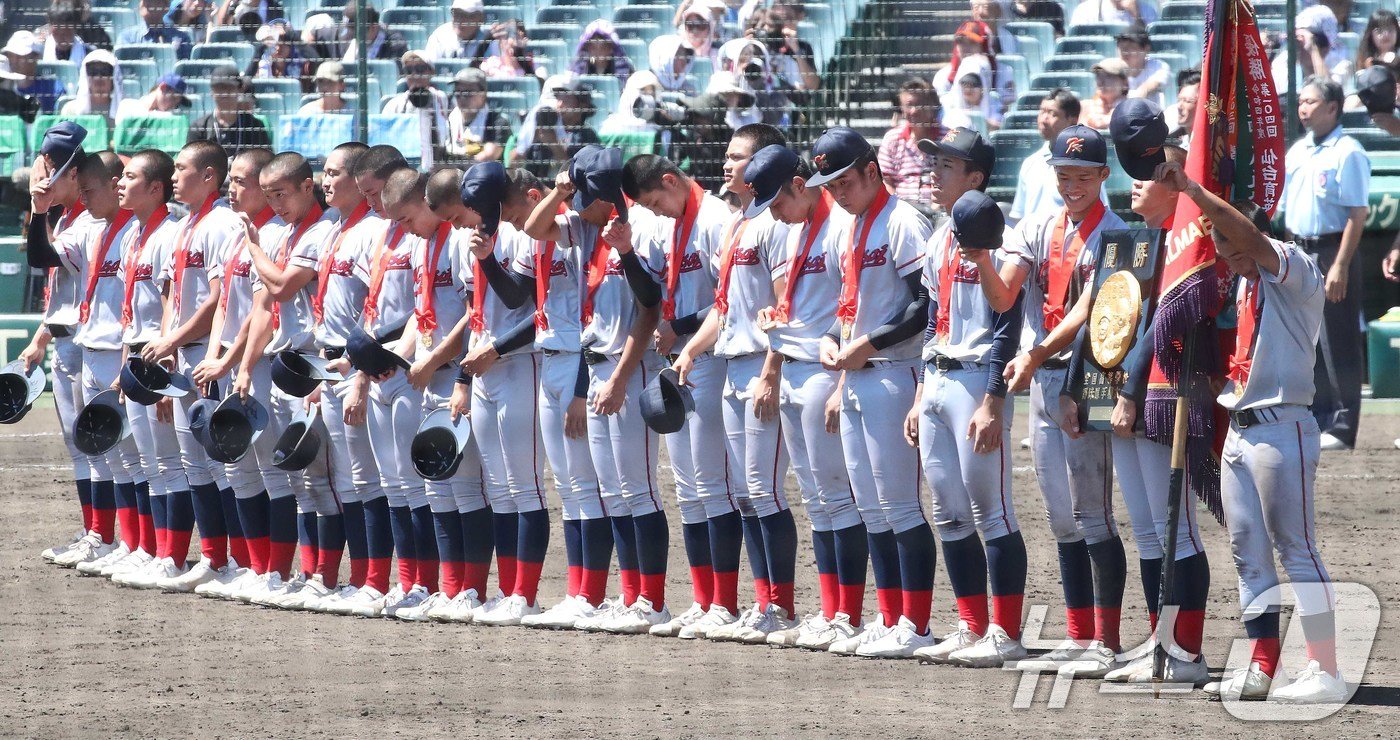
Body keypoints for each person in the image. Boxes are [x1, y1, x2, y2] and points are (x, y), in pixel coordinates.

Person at [1152, 161, 1344, 703]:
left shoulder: (1293, 267)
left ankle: (1324, 670)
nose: (1229, 257)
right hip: (1240, 427)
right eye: (1222, 247)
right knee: (1247, 551)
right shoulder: (1242, 285)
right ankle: (1262, 665)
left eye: (1234, 245)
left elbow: (1252, 239)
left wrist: (1192, 189)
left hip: (1284, 426)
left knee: (1296, 547)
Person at [994, 125, 1136, 673]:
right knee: (1060, 517)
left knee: (1093, 513)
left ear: (1104, 176)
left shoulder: (1117, 233)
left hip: (1091, 375)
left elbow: (1095, 314)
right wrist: (983, 254)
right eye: (1063, 175)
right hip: (1044, 377)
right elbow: (1006, 295)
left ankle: (1107, 640)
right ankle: (1078, 637)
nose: (1071, 185)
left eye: (1082, 175)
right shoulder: (1037, 225)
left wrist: (1039, 358)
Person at [450, 167, 615, 630]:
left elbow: (532, 303)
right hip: (542, 356)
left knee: (551, 487)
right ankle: (523, 592)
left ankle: (557, 594)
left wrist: (501, 345)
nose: (509, 221)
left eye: (511, 210)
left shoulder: (569, 229)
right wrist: (486, 260)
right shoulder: (526, 233)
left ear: (533, 196)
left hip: (542, 362)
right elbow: (521, 294)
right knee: (516, 488)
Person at [523, 146, 673, 634]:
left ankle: (651, 602)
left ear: (610, 195)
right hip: (598, 364)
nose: (576, 205)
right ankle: (630, 599)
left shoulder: (642, 228)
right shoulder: (586, 226)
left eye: (585, 195)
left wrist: (620, 379)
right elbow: (534, 228)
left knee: (640, 491)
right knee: (614, 492)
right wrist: (562, 190)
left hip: (632, 367)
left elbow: (648, 311)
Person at [663, 126, 802, 644]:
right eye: (726, 155)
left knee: (763, 491)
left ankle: (778, 606)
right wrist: (693, 348)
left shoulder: (776, 225)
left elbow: (782, 307)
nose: (727, 165)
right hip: (730, 362)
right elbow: (725, 308)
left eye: (739, 158)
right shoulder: (738, 222)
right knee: (745, 493)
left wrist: (772, 368)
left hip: (763, 368)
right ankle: (760, 603)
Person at [803, 127, 936, 657]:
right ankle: (889, 616)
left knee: (901, 506)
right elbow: (849, 305)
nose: (837, 192)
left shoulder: (902, 220)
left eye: (844, 181)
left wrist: (866, 343)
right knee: (872, 508)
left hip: (894, 371)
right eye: (830, 184)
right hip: (859, 374)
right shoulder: (849, 224)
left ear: (871, 171)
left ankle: (917, 624)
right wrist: (835, 348)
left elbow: (923, 306)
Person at [901, 129, 1029, 665]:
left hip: (979, 380)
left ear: (976, 177)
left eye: (948, 165)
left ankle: (1006, 632)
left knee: (991, 511)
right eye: (936, 163)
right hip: (938, 379)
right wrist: (919, 392)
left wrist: (995, 399)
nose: (936, 173)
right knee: (947, 510)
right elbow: (934, 320)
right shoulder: (937, 238)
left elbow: (1008, 323)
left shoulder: (1010, 238)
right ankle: (972, 627)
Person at [739, 144, 871, 650]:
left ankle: (849, 614)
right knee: (818, 502)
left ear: (800, 184)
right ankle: (832, 609)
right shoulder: (796, 230)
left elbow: (851, 307)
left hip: (824, 372)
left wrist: (840, 381)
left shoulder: (840, 225)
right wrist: (776, 343)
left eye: (776, 202)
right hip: (795, 367)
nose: (773, 214)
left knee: (838, 498)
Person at [616, 152, 744, 640]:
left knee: (714, 488)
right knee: (689, 491)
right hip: (682, 364)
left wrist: (679, 329)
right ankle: (705, 599)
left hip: (711, 359)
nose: (655, 211)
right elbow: (656, 293)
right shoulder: (672, 225)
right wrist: (628, 253)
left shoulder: (714, 219)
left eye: (654, 201)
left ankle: (726, 604)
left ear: (671, 181)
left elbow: (727, 302)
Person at [232, 151, 341, 607]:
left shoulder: (320, 230)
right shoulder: (284, 231)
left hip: (316, 364)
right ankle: (307, 571)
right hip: (285, 362)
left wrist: (255, 247)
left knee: (322, 478)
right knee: (295, 477)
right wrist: (241, 364)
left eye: (282, 194)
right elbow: (263, 309)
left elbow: (279, 288)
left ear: (306, 186)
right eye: (270, 195)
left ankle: (329, 577)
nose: (275, 203)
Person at [137, 140, 247, 593]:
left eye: (182, 169)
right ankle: (214, 558)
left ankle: (240, 562)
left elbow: (218, 298)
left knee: (223, 465)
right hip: (182, 353)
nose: (174, 176)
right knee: (194, 464)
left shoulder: (222, 224)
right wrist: (167, 352)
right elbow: (173, 298)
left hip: (207, 353)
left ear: (208, 177)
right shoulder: (185, 226)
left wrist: (177, 342)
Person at [187, 147, 281, 602]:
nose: (232, 186)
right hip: (231, 362)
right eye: (233, 180)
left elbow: (260, 311)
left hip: (259, 363)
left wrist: (229, 362)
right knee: (239, 468)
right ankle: (253, 566)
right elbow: (225, 303)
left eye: (241, 180)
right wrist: (213, 355)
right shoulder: (237, 233)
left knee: (269, 469)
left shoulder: (276, 234)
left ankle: (274, 571)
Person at [105, 149, 189, 590]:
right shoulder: (132, 233)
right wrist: (124, 367)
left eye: (130, 176)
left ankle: (172, 558)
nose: (119, 182)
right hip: (136, 355)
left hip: (159, 356)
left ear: (156, 188)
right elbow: (129, 315)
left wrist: (163, 375)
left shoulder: (170, 233)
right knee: (149, 462)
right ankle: (152, 551)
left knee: (169, 463)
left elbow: (170, 307)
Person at [23, 123, 104, 567]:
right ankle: (96, 531)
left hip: (86, 342)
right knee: (81, 447)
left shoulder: (88, 221)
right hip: (67, 339)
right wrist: (39, 338)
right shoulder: (70, 217)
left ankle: (104, 536)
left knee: (96, 448)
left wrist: (39, 209)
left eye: (53, 169)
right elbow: (62, 292)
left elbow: (40, 257)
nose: (45, 176)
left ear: (73, 174)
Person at [70, 151, 151, 580]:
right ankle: (130, 543)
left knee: (147, 461)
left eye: (90, 188)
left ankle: (153, 549)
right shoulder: (96, 229)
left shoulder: (143, 230)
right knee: (116, 458)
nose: (84, 198)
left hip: (134, 354)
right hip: (98, 350)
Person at [1282, 77, 1369, 452]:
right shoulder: (1298, 150)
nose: (1303, 108)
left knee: (1339, 341)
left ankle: (1344, 423)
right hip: (1300, 249)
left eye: (1311, 102)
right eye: (1300, 101)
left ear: (1333, 108)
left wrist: (1341, 265)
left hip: (1332, 249)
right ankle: (1317, 416)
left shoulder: (1348, 151)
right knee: (1309, 340)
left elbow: (1357, 213)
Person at [1009, 89, 1080, 225]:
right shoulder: (1030, 163)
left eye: (1053, 114)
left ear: (1072, 121)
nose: (1044, 120)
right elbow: (1018, 217)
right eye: (1042, 112)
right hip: (1030, 243)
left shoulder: (1085, 166)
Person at [878, 79, 944, 210]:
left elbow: (954, 180)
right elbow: (885, 181)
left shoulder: (948, 138)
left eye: (919, 105)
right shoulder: (892, 139)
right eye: (909, 105)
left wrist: (938, 205)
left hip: (939, 211)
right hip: (901, 212)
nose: (914, 111)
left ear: (932, 105)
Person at [380, 51, 450, 170]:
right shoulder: (394, 105)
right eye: (408, 70)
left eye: (420, 69)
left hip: (437, 166)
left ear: (431, 72)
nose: (414, 74)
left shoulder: (440, 99)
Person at [186, 65, 272, 160]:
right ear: (211, 92)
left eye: (229, 87)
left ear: (240, 89)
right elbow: (190, 164)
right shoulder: (199, 128)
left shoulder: (254, 126)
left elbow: (266, 163)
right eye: (219, 88)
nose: (224, 93)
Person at [934, 22, 1012, 126]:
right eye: (960, 42)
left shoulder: (1005, 72)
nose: (965, 47)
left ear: (984, 46)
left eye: (972, 42)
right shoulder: (942, 76)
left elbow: (1008, 109)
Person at [1272, 4, 1353, 94]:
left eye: (1302, 41)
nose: (1298, 46)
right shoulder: (1282, 61)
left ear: (1325, 47)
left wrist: (1313, 49)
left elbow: (1329, 94)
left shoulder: (1342, 65)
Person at [750, 1, 820, 92]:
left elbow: (813, 86)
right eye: (776, 20)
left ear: (799, 18)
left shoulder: (802, 48)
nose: (782, 25)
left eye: (787, 19)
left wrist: (796, 50)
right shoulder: (759, 46)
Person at [445, 68, 511, 163]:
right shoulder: (449, 118)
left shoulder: (497, 122)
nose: (462, 98)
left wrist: (453, 164)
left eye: (467, 93)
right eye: (458, 93)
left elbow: (489, 156)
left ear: (483, 94)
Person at [2, 31, 64, 113]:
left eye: (20, 56)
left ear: (36, 57)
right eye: (11, 55)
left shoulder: (53, 88)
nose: (14, 61)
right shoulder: (2, 86)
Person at [61, 49, 124, 123]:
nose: (99, 78)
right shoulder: (71, 111)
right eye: (93, 72)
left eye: (105, 72)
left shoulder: (123, 113)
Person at [1115, 23, 1168, 108]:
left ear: (1146, 49)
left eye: (1130, 47)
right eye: (1121, 47)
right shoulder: (1113, 69)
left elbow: (1146, 89)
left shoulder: (1158, 66)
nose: (1124, 52)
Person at [118, 0, 194, 59]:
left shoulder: (182, 38)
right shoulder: (127, 37)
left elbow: (184, 73)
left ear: (166, 7)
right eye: (143, 1)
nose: (145, 4)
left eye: (152, 1)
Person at [425, 0, 496, 62]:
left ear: (480, 19)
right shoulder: (440, 36)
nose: (459, 20)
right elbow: (430, 68)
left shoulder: (490, 38)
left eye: (466, 15)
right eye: (456, 14)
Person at [252, 19, 309, 91]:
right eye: (274, 42)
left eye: (284, 41)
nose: (278, 47)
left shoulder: (305, 67)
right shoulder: (259, 66)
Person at [569, 20, 633, 84]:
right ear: (587, 48)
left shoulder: (626, 68)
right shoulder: (579, 67)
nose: (598, 51)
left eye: (603, 47)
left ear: (611, 48)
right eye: (593, 47)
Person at [118, 73, 191, 119]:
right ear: (163, 87)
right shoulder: (127, 105)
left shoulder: (168, 118)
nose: (173, 106)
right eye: (174, 99)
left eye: (177, 105)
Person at [1084, 58, 1130, 130]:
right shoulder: (1085, 107)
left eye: (1108, 77)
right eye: (1098, 76)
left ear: (1124, 83)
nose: (1101, 81)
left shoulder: (1131, 110)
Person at [1069, 0, 1158, 27]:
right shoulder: (1085, 10)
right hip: (1098, 69)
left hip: (1133, 69)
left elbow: (1149, 48)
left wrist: (1136, 15)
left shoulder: (1148, 11)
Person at [1169, 68, 1200, 141]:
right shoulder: (1172, 143)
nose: (1179, 106)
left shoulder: (1213, 145)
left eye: (1187, 101)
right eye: (1179, 100)